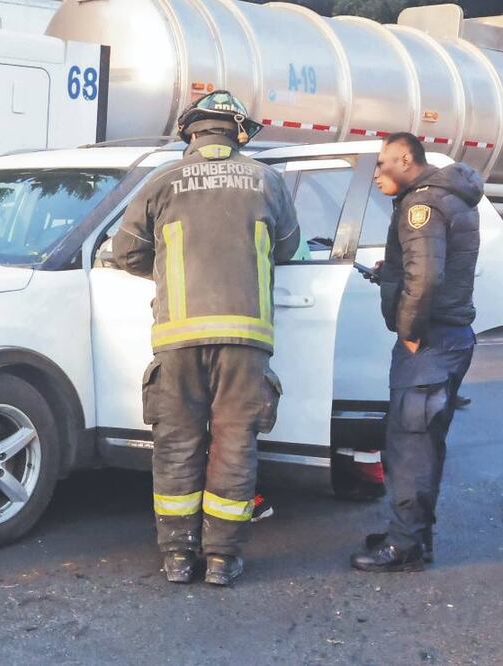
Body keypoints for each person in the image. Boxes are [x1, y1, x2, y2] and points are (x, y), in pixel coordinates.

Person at [112, 90, 300, 586]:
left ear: (190, 133)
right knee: (236, 445)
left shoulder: (163, 181)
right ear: (237, 132)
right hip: (247, 340)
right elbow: (288, 247)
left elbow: (125, 253)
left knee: (176, 444)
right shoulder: (268, 181)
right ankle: (222, 559)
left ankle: (177, 557)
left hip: (178, 339)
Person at [351, 133, 480, 572]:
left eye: (382, 163)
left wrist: (409, 331)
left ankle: (403, 548)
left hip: (429, 343)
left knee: (410, 446)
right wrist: (391, 274)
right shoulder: (449, 196)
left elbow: (425, 279)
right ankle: (414, 534)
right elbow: (429, 265)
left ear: (405, 159)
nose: (375, 174)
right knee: (426, 443)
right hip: (451, 337)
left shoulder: (420, 206)